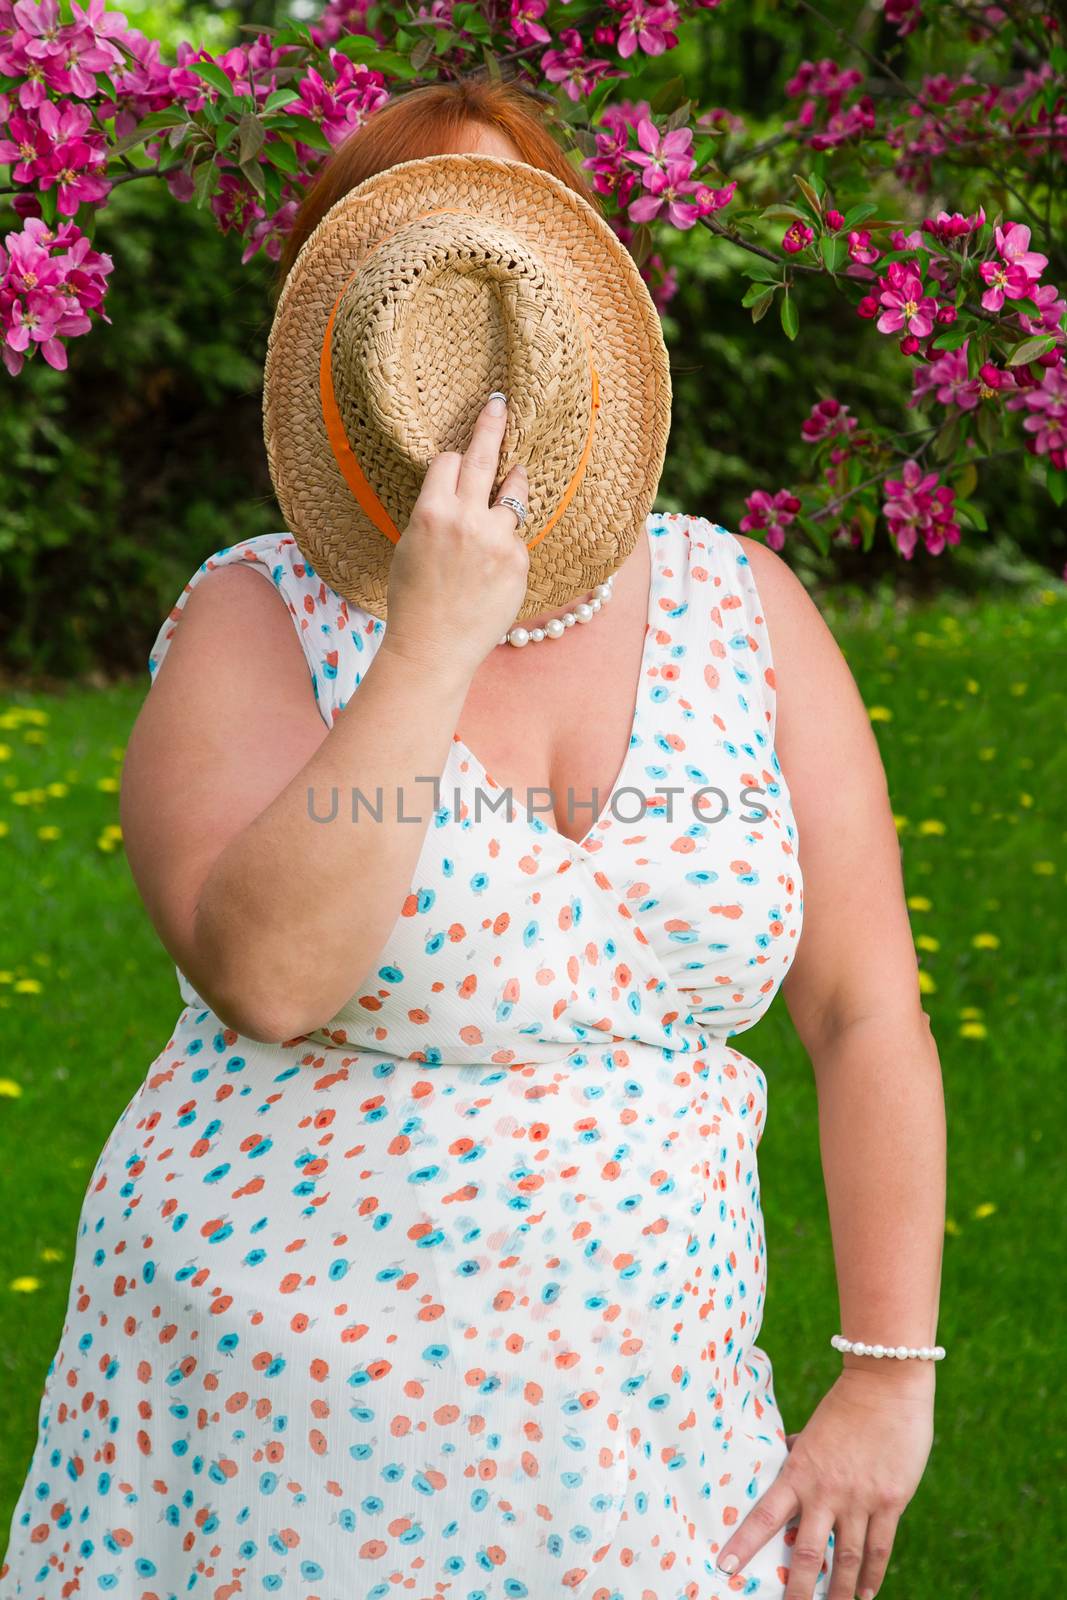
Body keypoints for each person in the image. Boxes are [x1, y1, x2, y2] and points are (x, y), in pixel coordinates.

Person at [1, 79, 946, 1600]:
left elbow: (866, 1008)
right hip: (283, 1423)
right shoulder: (255, 615)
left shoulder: (739, 606)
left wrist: (888, 1376)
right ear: (339, 336)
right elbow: (269, 976)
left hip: (652, 1428)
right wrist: (426, 643)